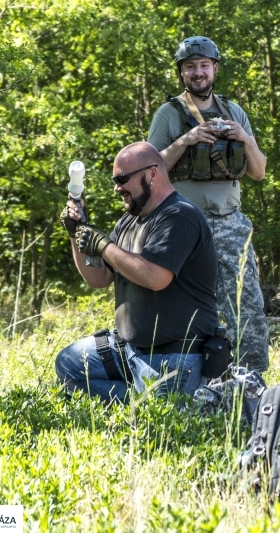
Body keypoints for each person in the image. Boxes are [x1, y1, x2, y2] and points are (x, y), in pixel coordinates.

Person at [54, 142, 219, 403]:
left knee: (158, 423)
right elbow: (98, 278)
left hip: (174, 356)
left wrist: (103, 245)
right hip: (129, 349)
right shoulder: (129, 220)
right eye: (115, 180)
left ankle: (147, 405)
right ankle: (136, 402)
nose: (117, 187)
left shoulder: (179, 216)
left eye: (123, 179)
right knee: (69, 364)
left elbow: (155, 277)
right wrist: (76, 233)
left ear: (152, 174)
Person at [147, 36, 269, 372]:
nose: (198, 72)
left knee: (245, 306)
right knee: (186, 305)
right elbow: (148, 170)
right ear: (182, 73)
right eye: (190, 67)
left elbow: (258, 171)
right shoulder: (169, 114)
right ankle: (183, 380)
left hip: (230, 223)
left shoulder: (234, 111)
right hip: (183, 223)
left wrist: (243, 138)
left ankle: (251, 381)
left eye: (204, 65)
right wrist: (185, 141)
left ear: (215, 68)